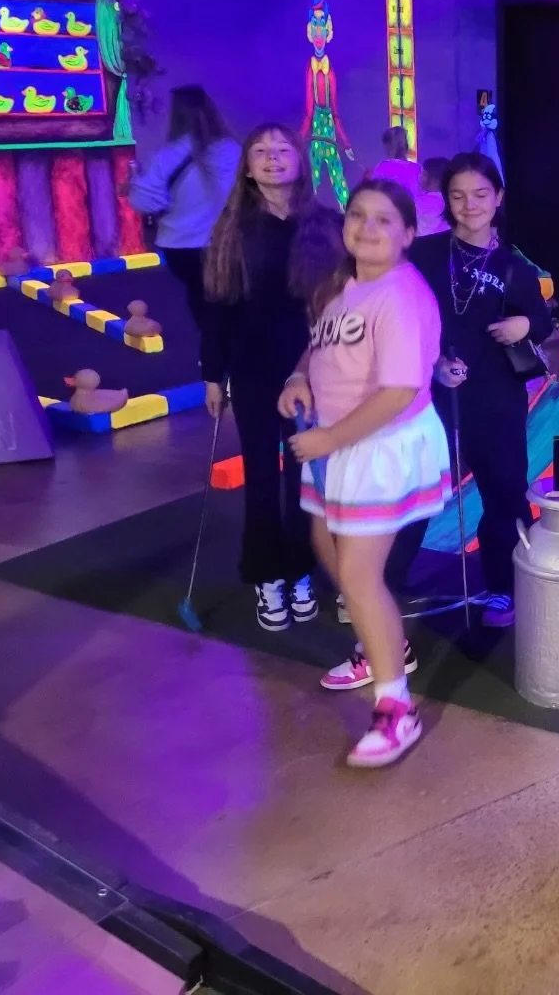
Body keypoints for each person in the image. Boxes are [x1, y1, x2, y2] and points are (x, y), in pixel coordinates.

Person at [279, 178, 451, 768]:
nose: (368, 228)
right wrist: (297, 378)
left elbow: (400, 390)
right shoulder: (341, 286)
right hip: (335, 442)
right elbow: (317, 347)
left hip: (376, 444)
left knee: (357, 573)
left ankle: (395, 709)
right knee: (326, 547)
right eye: (358, 216)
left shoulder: (402, 296)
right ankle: (385, 645)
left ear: (408, 233)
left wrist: (329, 437)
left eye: (384, 220)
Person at [387, 153, 553, 628]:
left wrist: (524, 322)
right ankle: (381, 581)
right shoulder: (424, 253)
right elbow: (399, 315)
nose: (469, 204)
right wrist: (434, 362)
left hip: (496, 394)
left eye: (481, 194)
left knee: (503, 489)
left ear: (498, 198)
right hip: (427, 391)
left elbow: (541, 321)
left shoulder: (514, 266)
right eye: (457, 195)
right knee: (415, 486)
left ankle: (504, 586)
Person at [201, 124, 345, 631]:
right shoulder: (232, 227)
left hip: (316, 365)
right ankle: (267, 577)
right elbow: (216, 305)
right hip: (254, 367)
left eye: (283, 150)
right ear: (246, 166)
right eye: (260, 151)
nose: (272, 158)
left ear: (300, 161)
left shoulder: (327, 222)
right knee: (263, 474)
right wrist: (213, 374)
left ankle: (302, 569)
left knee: (308, 478)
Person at [127, 85, 238, 334]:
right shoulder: (231, 151)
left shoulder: (167, 155)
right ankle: (228, 360)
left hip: (178, 246)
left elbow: (142, 201)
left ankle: (213, 362)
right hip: (222, 244)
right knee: (226, 305)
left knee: (199, 299)